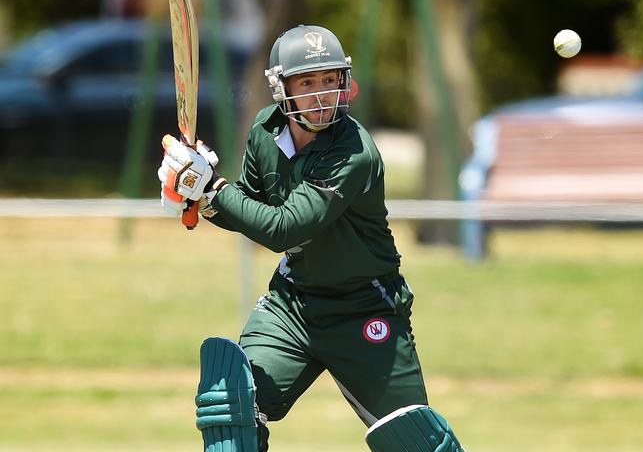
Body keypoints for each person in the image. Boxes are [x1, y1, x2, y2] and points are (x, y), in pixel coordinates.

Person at [158, 25, 465, 452]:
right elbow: (248, 206)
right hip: (293, 305)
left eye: (329, 80)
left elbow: (284, 228)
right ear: (281, 88)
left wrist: (213, 189)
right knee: (229, 406)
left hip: (364, 307)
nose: (322, 94)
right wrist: (200, 199)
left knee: (418, 443)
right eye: (307, 82)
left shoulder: (353, 151)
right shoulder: (266, 130)